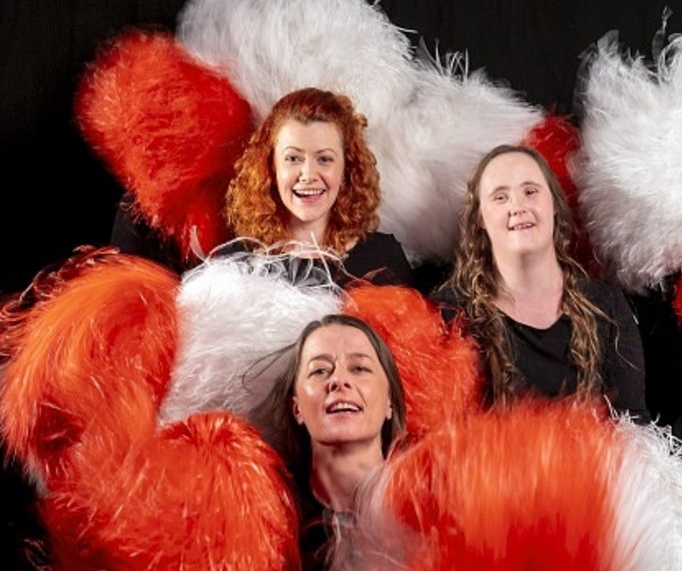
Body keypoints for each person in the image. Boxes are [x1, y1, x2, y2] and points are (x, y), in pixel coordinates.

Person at [432, 144, 649, 421]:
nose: (518, 207)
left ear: (554, 204)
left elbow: (634, 423)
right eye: (500, 197)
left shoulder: (606, 306)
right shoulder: (450, 314)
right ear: (480, 219)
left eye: (530, 191)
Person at [223, 87, 413, 288]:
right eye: (293, 158)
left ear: (347, 168)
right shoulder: (234, 265)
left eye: (324, 159)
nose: (308, 175)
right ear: (271, 166)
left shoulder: (383, 256)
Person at [259, 314, 407, 570]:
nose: (338, 380)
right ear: (297, 408)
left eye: (359, 368)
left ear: (389, 402)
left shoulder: (436, 507)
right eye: (319, 371)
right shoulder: (266, 521)